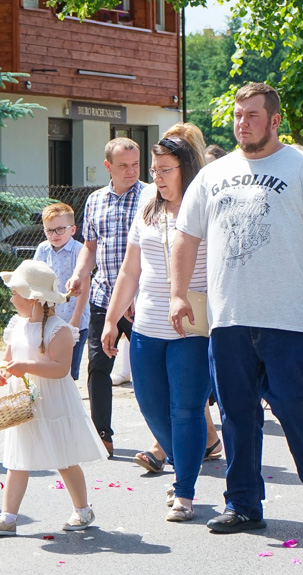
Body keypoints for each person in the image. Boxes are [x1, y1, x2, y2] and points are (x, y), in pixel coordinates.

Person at [169, 82, 303, 533]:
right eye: (238, 115)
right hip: (230, 316)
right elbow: (186, 236)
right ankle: (244, 504)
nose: (242, 123)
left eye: (253, 115)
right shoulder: (213, 175)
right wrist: (178, 293)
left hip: (290, 316)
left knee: (297, 413)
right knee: (237, 416)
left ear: (274, 121)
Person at [100, 137, 210, 522]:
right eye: (155, 171)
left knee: (186, 410)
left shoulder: (204, 206)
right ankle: (185, 466)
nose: (157, 178)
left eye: (166, 170)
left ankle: (185, 490)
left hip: (192, 326)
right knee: (149, 405)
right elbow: (131, 270)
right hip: (145, 323)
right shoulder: (147, 206)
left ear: (186, 169)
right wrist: (112, 320)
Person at [0, 261, 107, 536]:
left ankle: (83, 509)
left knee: (65, 458)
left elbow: (61, 369)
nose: (11, 298)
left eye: (15, 294)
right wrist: (5, 372)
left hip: (54, 403)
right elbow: (8, 359)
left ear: (34, 298)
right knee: (17, 460)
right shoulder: (17, 325)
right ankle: (8, 517)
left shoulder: (58, 330)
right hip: (23, 404)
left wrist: (26, 367)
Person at [66, 137, 143, 457]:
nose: (131, 171)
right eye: (123, 165)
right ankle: (102, 437)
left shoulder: (151, 196)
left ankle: (170, 440)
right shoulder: (95, 200)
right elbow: (90, 247)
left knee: (150, 374)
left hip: (142, 300)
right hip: (103, 296)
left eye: (136, 164)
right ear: (108, 167)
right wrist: (78, 274)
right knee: (98, 365)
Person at [33, 202, 89, 381]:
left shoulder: (79, 251)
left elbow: (85, 285)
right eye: (49, 230)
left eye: (59, 229)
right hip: (49, 320)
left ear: (72, 229)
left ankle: (69, 406)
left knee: (68, 371)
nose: (54, 235)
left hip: (73, 318)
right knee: (50, 366)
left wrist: (77, 317)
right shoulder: (43, 249)